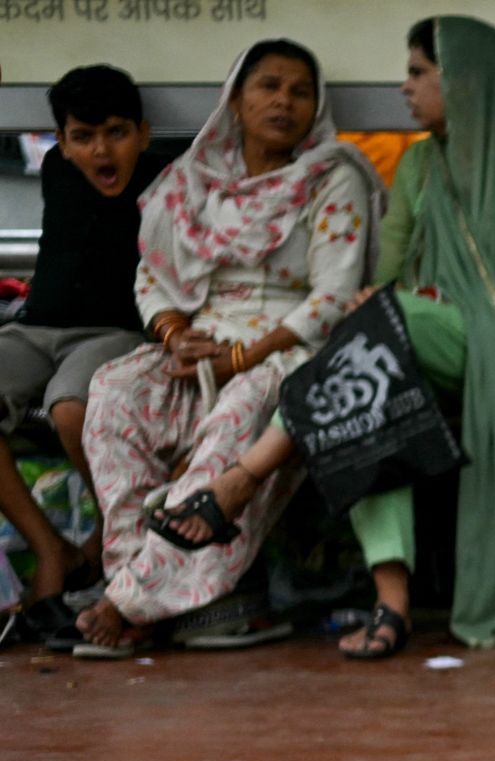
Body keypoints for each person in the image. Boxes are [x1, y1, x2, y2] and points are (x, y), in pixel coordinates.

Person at [157, 17, 495, 660]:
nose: (404, 88)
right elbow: (385, 276)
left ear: (462, 81)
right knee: (367, 393)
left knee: (370, 339)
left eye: (417, 73)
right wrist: (389, 302)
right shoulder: (420, 163)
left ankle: (240, 480)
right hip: (412, 335)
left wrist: (408, 302)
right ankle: (394, 603)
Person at [67, 40, 379, 659]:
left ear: (315, 106)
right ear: (235, 100)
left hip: (288, 345)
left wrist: (244, 356)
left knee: (247, 404)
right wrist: (176, 337)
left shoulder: (332, 178)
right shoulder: (191, 179)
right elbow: (152, 279)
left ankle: (127, 606)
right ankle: (137, 582)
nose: (283, 101)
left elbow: (333, 295)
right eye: (268, 86)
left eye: (299, 90)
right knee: (114, 392)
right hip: (202, 340)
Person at [0, 65, 170, 642]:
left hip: (113, 331)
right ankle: (55, 550)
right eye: (83, 136)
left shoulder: (166, 182)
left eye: (117, 133)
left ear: (143, 135)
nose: (101, 150)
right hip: (36, 329)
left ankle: (107, 541)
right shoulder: (54, 170)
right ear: (63, 143)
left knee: (74, 408)